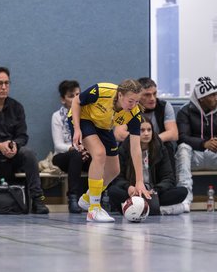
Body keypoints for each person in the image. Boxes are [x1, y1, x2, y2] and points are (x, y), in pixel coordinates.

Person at [69, 79, 152, 222]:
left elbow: (135, 147)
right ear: (120, 95)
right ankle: (94, 208)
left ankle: (87, 198)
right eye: (130, 101)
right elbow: (76, 101)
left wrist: (139, 181)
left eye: (137, 102)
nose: (134, 106)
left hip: (103, 127)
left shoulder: (134, 115)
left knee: (114, 169)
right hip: (83, 119)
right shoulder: (102, 91)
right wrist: (77, 129)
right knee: (99, 153)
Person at [0, 67, 49, 214]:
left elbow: (22, 136)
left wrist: (14, 145)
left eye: (7, 83)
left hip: (12, 156)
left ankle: (38, 200)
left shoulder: (17, 107)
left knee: (28, 153)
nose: (4, 87)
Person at [108, 116, 188, 215]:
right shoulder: (124, 148)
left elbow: (169, 178)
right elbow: (117, 178)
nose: (146, 133)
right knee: (113, 191)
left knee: (182, 191)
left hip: (153, 194)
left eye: (149, 130)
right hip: (133, 194)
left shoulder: (160, 148)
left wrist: (155, 190)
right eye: (142, 130)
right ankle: (158, 210)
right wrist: (129, 187)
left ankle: (134, 210)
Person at [175, 76, 217, 211]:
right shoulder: (185, 111)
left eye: (216, 93)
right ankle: (185, 198)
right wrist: (204, 144)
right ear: (201, 98)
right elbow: (182, 137)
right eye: (212, 95)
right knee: (183, 148)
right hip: (195, 157)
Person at [114, 77, 178, 174]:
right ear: (138, 96)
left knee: (167, 147)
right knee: (123, 146)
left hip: (156, 146)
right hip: (134, 145)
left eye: (154, 94)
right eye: (147, 95)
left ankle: (168, 184)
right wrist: (141, 140)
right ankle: (124, 184)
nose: (152, 98)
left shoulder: (164, 106)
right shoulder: (129, 107)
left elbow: (173, 134)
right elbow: (118, 134)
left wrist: (150, 141)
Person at [51, 80, 90, 213]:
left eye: (78, 94)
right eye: (71, 95)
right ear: (63, 99)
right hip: (63, 156)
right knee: (75, 155)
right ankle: (73, 198)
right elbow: (58, 144)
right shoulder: (57, 116)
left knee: (100, 156)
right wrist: (75, 148)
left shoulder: (87, 115)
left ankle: (101, 197)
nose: (75, 98)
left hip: (83, 153)